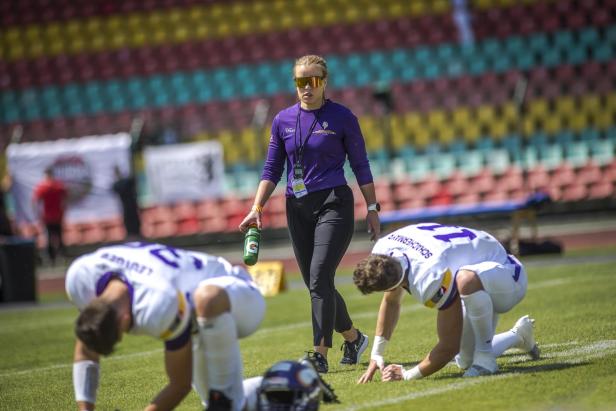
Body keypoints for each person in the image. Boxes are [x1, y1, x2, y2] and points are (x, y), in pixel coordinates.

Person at [239, 54, 381, 373]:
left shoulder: (343, 117)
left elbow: (361, 165)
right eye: (301, 81)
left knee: (319, 278)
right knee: (318, 284)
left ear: (324, 82)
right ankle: (354, 338)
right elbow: (272, 168)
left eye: (313, 80)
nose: (307, 87)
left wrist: (372, 208)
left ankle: (319, 353)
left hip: (335, 202)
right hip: (297, 206)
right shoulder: (282, 121)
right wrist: (256, 207)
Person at [65, 242, 265, 411]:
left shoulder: (158, 302)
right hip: (195, 318)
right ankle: (283, 381)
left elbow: (180, 384)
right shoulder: (82, 276)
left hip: (237, 292)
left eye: (121, 334)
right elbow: (86, 350)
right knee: (236, 405)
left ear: (125, 320)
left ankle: (225, 401)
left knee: (206, 298)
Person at [353, 223, 540, 383]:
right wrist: (376, 354)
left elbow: (448, 346)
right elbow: (391, 301)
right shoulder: (385, 248)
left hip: (507, 273)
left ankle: (486, 360)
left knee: (465, 279)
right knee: (465, 360)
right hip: (483, 269)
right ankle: (519, 336)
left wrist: (407, 374)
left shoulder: (429, 277)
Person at [32, 167, 68, 264]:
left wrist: (37, 214)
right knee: (59, 237)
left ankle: (51, 258)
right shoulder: (59, 186)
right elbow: (66, 199)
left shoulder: (42, 187)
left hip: (47, 217)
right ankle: (61, 256)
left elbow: (35, 202)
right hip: (57, 216)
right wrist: (64, 211)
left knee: (49, 238)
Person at [111, 165, 142, 239]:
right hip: (125, 207)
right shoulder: (119, 184)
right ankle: (131, 234)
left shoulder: (127, 181)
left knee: (134, 220)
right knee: (128, 221)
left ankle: (136, 234)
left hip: (132, 205)